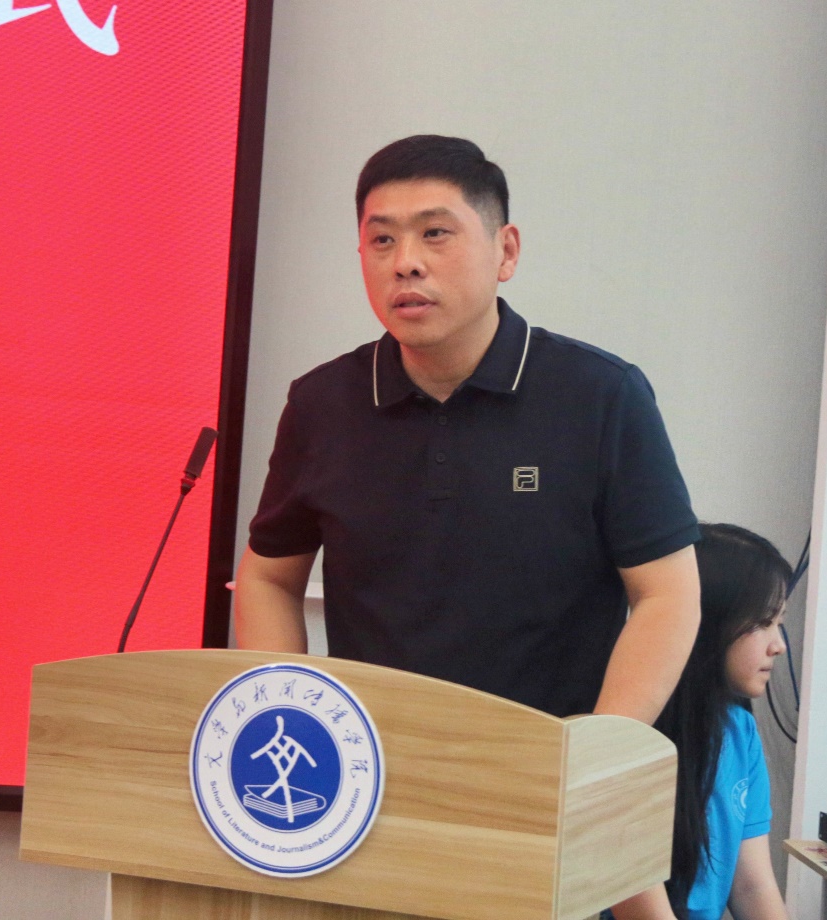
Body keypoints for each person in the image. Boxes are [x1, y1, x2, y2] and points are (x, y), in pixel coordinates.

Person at [234, 135, 701, 724]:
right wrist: (288, 713)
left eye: (435, 233)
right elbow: (269, 579)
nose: (405, 262)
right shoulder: (321, 403)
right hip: (370, 761)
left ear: (506, 251)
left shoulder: (601, 395)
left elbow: (667, 593)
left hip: (545, 755)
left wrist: (602, 747)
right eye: (382, 239)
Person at [608, 522, 793, 920]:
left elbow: (752, 886)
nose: (778, 645)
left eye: (779, 623)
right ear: (708, 621)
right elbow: (630, 894)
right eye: (763, 622)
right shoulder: (631, 736)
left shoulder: (741, 733)